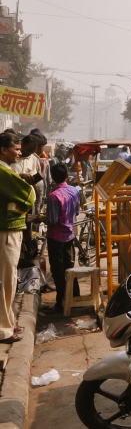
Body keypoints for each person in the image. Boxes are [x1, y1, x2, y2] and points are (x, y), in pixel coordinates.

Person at [0, 133, 33, 342]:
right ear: (4, 149)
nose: (20, 153)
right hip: (6, 232)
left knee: (9, 280)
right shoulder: (3, 172)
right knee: (6, 281)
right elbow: (29, 195)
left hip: (9, 229)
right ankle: (4, 330)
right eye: (17, 149)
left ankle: (9, 322)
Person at [44, 162, 80, 314]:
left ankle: (61, 301)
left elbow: (52, 220)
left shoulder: (53, 196)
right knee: (70, 267)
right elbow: (77, 212)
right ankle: (75, 297)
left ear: (52, 177)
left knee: (58, 271)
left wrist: (42, 218)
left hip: (56, 237)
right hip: (70, 235)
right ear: (66, 176)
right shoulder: (74, 191)